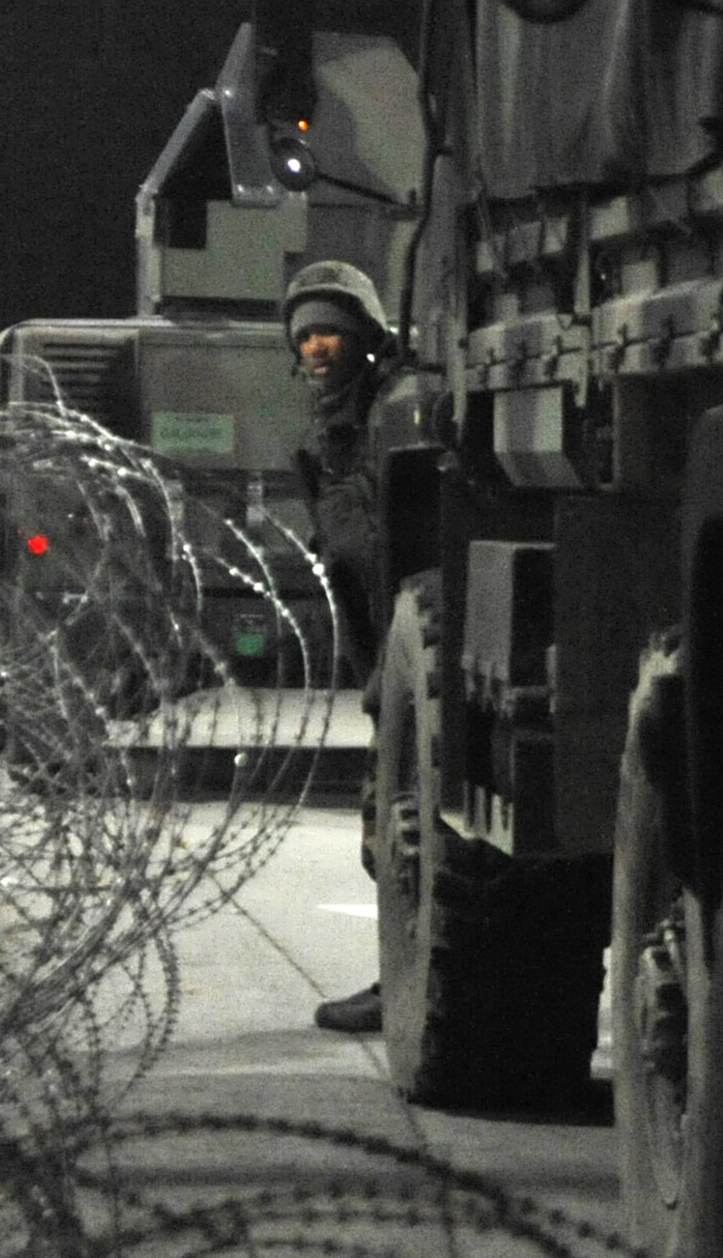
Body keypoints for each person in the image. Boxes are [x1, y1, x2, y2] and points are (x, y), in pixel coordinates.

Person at [282, 260, 390, 1035]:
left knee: (393, 822)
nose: (319, 348)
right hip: (384, 655)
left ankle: (406, 977)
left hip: (407, 647)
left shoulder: (389, 422)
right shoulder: (334, 437)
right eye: (308, 336)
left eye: (333, 333)